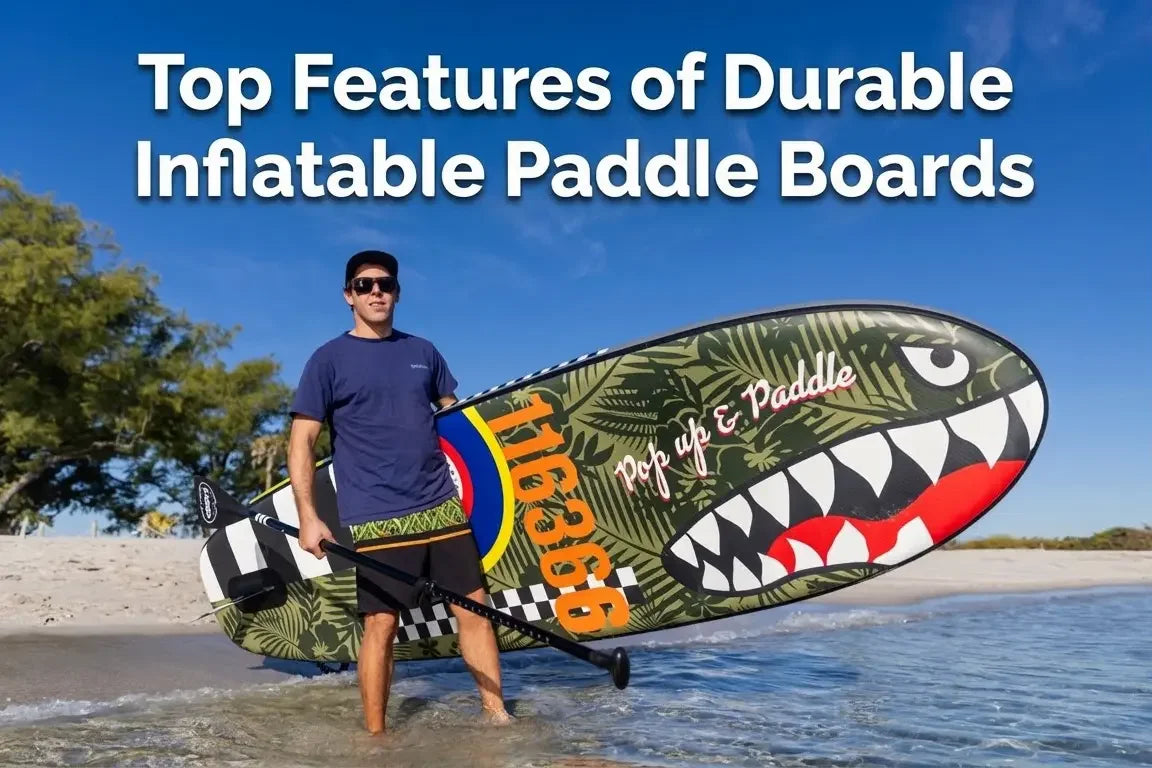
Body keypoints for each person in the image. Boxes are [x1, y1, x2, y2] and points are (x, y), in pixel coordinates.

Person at [286, 249, 511, 734]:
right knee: (381, 623)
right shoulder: (327, 360)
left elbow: (456, 420)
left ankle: (498, 719)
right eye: (364, 285)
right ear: (348, 296)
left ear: (397, 293)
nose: (376, 292)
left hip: (441, 506)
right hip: (376, 512)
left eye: (384, 284)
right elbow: (302, 441)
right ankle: (376, 740)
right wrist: (309, 515)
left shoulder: (423, 352)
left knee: (474, 611)